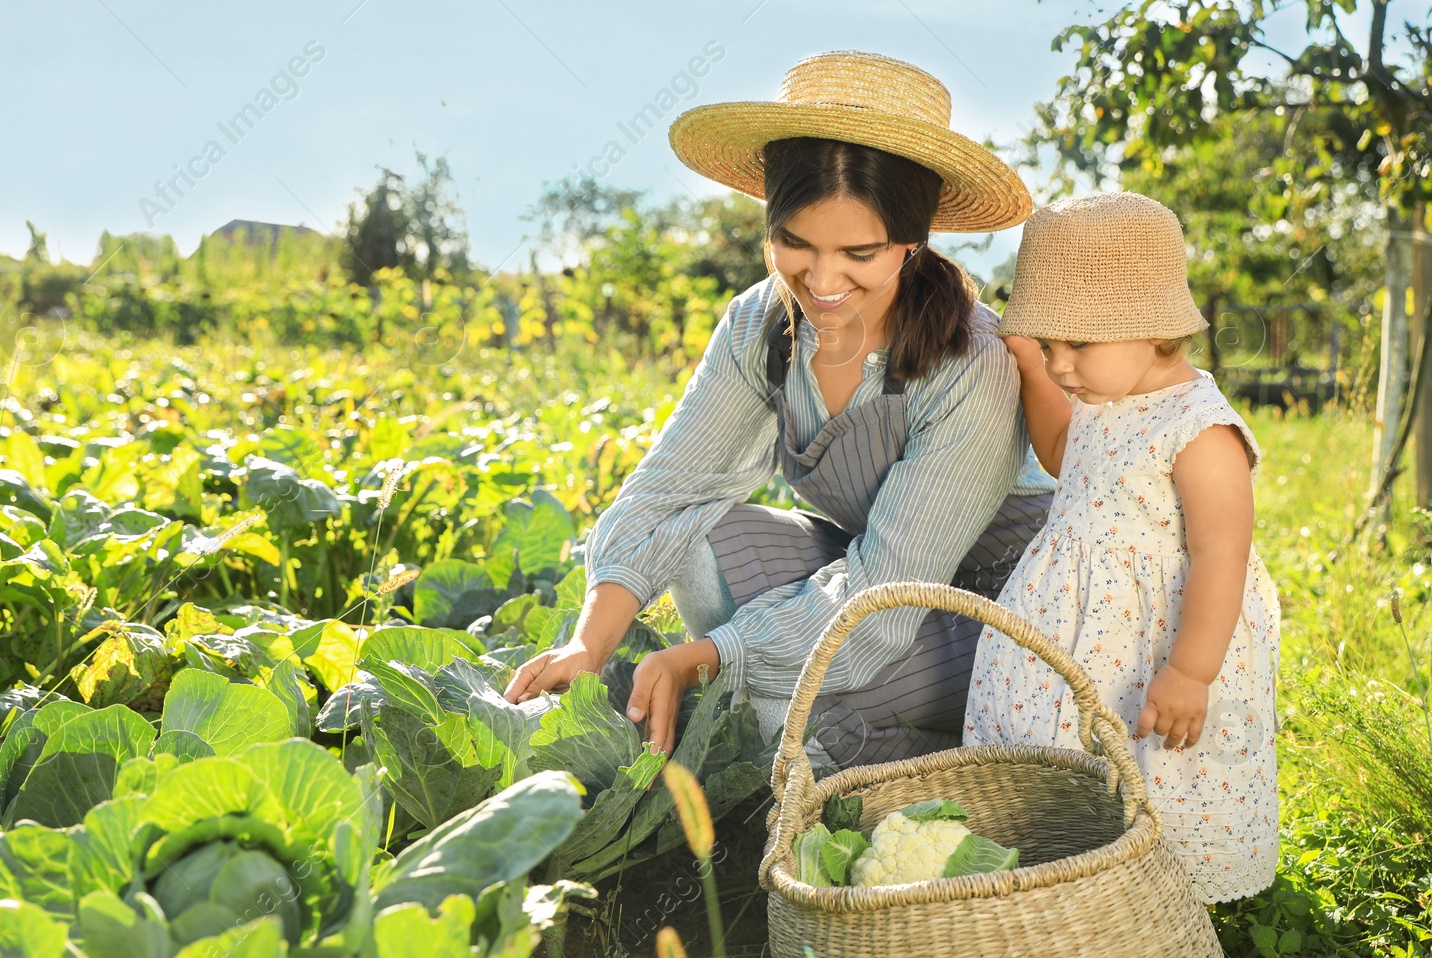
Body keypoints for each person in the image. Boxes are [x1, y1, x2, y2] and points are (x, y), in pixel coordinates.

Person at [503, 50, 1055, 771]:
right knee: (699, 538)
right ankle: (792, 718)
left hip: (999, 608)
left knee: (784, 697)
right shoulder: (760, 325)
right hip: (872, 574)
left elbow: (886, 600)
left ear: (913, 244)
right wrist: (589, 642)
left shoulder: (968, 363)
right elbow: (670, 491)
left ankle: (910, 757)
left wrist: (707, 656)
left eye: (859, 252)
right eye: (794, 243)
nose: (821, 281)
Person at [963, 191, 1280, 905]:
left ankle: (1157, 894)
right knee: (1059, 743)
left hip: (1158, 643)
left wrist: (1192, 671)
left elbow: (1222, 553)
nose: (1062, 364)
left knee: (1156, 765)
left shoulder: (1201, 428)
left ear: (1154, 329)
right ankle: (1064, 862)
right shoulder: (1099, 401)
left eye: (1077, 344)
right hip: (1071, 626)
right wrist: (1028, 364)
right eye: (1050, 345)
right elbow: (1056, 449)